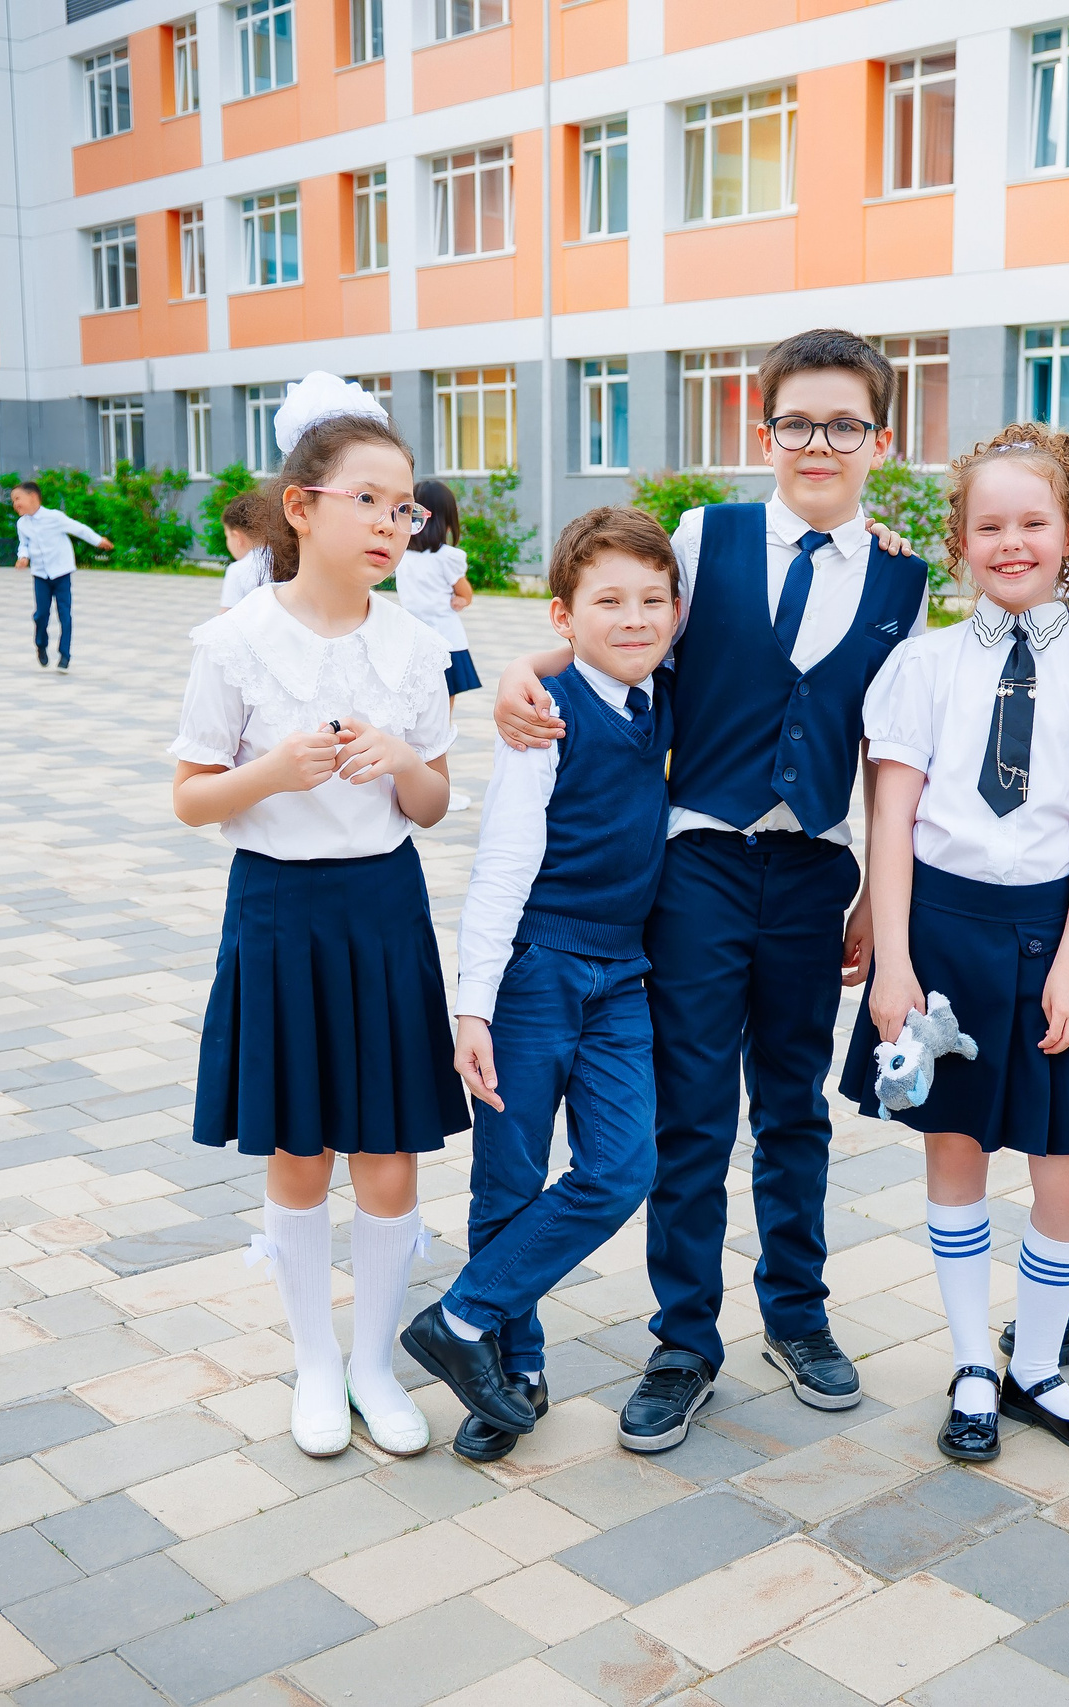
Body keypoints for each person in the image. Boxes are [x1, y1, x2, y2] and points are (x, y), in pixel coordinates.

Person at [491, 328, 930, 1453]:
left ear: (880, 440)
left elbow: (894, 763)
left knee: (793, 1108)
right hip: (695, 868)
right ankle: (684, 1337)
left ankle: (799, 1313)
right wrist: (514, 677)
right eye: (797, 422)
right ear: (764, 427)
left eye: (844, 424)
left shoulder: (902, 577)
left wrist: (879, 904)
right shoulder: (704, 536)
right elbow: (613, 635)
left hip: (815, 875)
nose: (818, 443)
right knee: (691, 1116)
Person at [169, 373, 467, 1460]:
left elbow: (433, 805)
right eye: (369, 501)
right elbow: (193, 797)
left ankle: (375, 1365)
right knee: (298, 1152)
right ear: (301, 507)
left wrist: (396, 761)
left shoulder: (417, 646)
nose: (393, 523)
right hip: (279, 912)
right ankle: (312, 1363)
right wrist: (272, 774)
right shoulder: (235, 641)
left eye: (404, 508)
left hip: (384, 908)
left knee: (390, 1154)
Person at [840, 425, 1069, 1466]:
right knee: (956, 1150)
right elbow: (890, 821)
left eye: (1032, 522)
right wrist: (893, 960)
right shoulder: (920, 664)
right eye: (988, 525)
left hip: (1051, 934)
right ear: (959, 540)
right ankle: (974, 1361)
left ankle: (1041, 1367)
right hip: (943, 934)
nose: (1010, 541)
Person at [408, 506, 680, 1463]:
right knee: (510, 1176)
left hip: (623, 977)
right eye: (609, 601)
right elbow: (502, 863)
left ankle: (464, 1317)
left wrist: (524, 658)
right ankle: (510, 1370)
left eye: (654, 599)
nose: (635, 618)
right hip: (535, 970)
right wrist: (471, 1004)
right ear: (566, 615)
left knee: (621, 1166)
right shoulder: (543, 721)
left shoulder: (662, 698)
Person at [399, 480, 481, 811]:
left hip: (410, 645)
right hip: (448, 645)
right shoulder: (447, 558)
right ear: (447, 517)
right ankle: (439, 790)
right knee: (439, 725)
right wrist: (458, 601)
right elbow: (466, 594)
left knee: (411, 718)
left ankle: (412, 785)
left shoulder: (401, 556)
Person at [14, 483, 107, 671]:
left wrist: (98, 540)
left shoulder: (54, 517)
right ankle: (41, 644)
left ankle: (65, 654)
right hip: (40, 575)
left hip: (61, 573)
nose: (15, 504)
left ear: (33, 497)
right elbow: (24, 544)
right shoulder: (22, 524)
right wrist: (23, 557)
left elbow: (78, 529)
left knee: (64, 614)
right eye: (13, 501)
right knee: (41, 614)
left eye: (18, 499)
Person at [217, 493, 273, 609]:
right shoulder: (287, 560)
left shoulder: (237, 570)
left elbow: (226, 616)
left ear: (237, 537)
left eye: (227, 536)